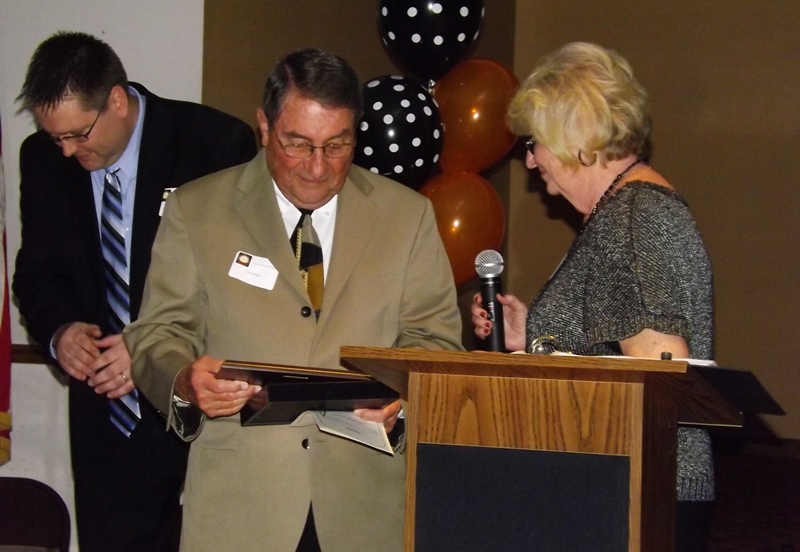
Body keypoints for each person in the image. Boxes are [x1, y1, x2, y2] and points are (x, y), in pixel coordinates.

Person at [124, 47, 462, 552]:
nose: (317, 167)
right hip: (240, 508)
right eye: (298, 144)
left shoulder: (406, 217)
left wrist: (404, 402)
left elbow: (435, 342)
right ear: (264, 127)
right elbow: (157, 332)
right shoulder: (197, 210)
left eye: (337, 145)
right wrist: (185, 382)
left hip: (365, 510)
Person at [12, 31, 258, 552]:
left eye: (78, 134)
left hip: (203, 401)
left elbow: (240, 282)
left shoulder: (213, 144)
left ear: (117, 101)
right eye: (56, 138)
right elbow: (36, 274)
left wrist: (148, 347)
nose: (68, 150)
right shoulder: (42, 159)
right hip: (108, 415)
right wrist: (60, 333)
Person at [471, 42, 715, 551]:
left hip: (625, 497)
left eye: (536, 141)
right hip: (631, 490)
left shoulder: (630, 221)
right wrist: (536, 335)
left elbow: (658, 383)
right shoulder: (639, 209)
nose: (531, 158)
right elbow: (616, 344)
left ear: (576, 139)